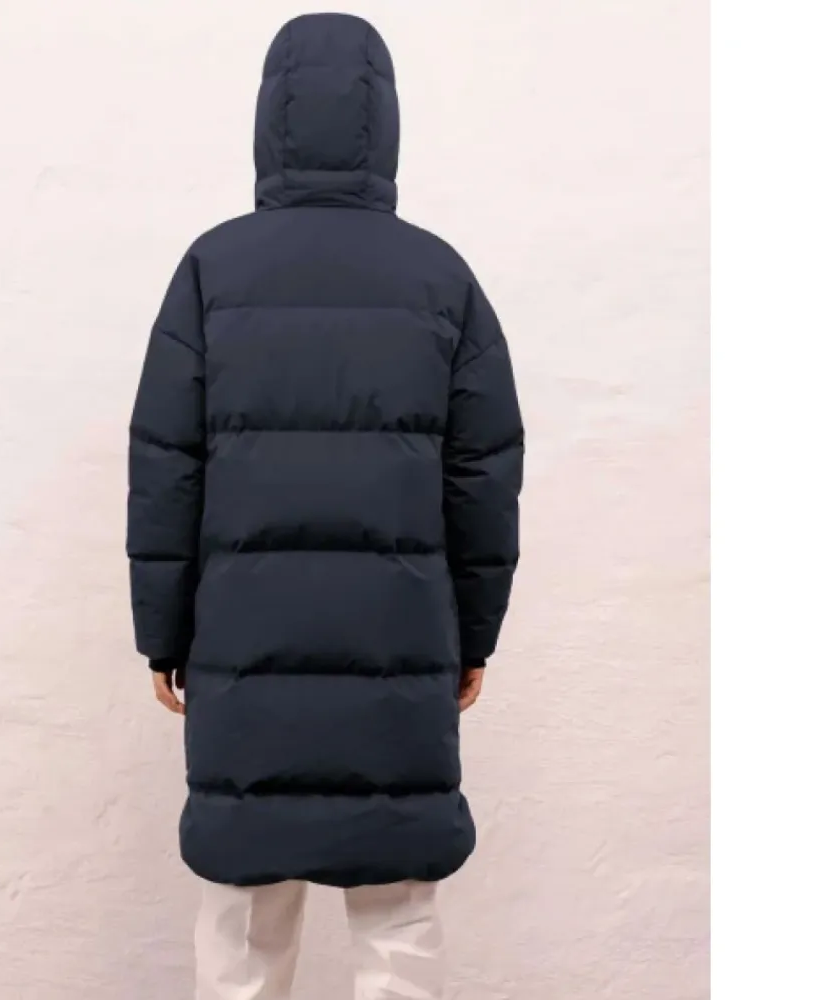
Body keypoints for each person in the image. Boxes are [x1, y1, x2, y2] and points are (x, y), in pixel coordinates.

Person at [127, 13, 524, 999]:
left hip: (242, 643)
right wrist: (473, 634)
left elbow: (165, 466)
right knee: (397, 912)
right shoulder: (440, 276)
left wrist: (162, 635)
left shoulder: (213, 269)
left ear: (269, 119)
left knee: (244, 909)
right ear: (385, 122)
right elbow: (484, 473)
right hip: (399, 640)